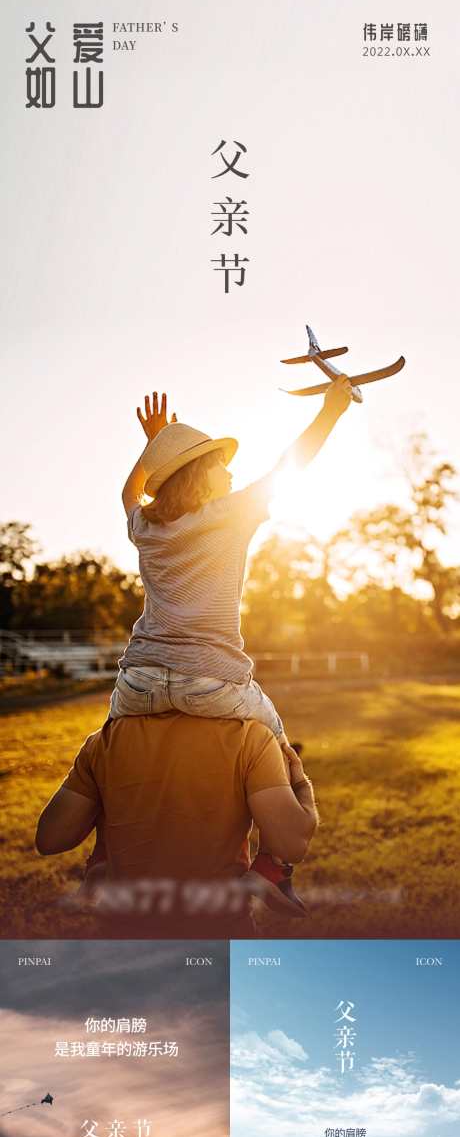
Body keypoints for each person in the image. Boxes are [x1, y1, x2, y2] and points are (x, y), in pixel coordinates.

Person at [108, 375, 351, 908]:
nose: (231, 470)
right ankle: (273, 867)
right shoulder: (229, 516)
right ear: (202, 475)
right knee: (282, 745)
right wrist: (333, 410)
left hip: (138, 683)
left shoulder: (144, 526)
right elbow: (293, 462)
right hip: (211, 682)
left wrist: (152, 448)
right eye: (220, 463)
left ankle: (103, 856)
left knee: (109, 759)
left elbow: (129, 492)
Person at [35, 721, 318, 918]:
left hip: (123, 936)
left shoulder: (104, 741)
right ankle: (270, 868)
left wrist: (95, 781)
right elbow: (292, 844)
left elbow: (50, 839)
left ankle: (102, 855)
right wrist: (301, 783)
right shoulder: (251, 736)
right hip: (217, 932)